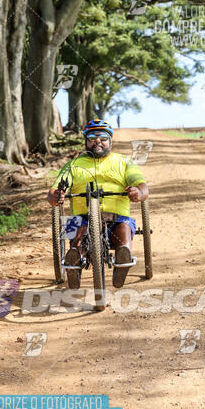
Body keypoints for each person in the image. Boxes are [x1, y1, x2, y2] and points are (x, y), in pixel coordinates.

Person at [48, 118, 149, 289]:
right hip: (82, 219)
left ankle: (122, 258)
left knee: (123, 228)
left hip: (116, 220)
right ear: (85, 142)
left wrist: (138, 192)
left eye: (102, 138)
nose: (97, 142)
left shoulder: (125, 163)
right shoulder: (74, 165)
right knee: (78, 231)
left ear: (110, 141)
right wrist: (55, 195)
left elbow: (142, 185)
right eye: (92, 138)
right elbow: (54, 190)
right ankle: (75, 260)